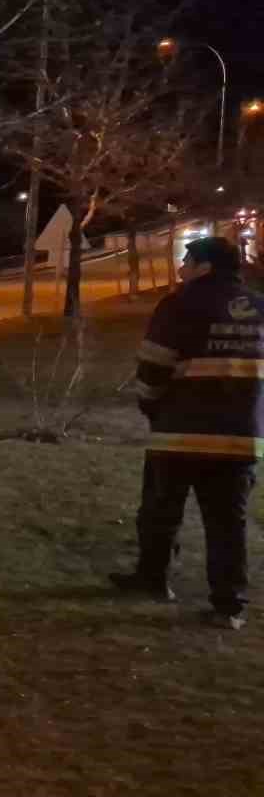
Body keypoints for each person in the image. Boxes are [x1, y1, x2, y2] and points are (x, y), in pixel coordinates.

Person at [115, 236, 263, 630]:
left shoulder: (180, 304)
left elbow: (153, 364)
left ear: (205, 266)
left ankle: (153, 579)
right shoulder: (260, 309)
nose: (181, 268)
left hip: (179, 431)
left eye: (187, 261)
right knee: (228, 524)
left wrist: (150, 404)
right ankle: (229, 606)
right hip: (240, 437)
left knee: (161, 511)